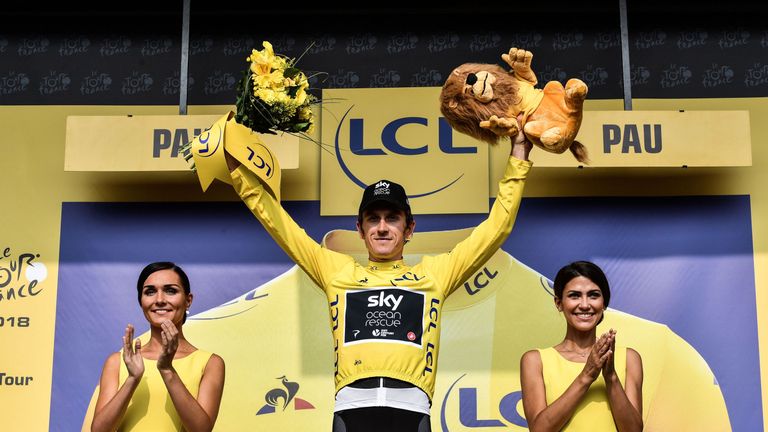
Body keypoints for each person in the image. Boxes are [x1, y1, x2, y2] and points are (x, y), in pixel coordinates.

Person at [224, 123, 532, 432]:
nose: (382, 227)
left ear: (409, 229)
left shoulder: (434, 274)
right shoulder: (337, 271)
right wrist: (237, 171)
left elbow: (497, 228)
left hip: (411, 409)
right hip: (350, 408)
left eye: (392, 218)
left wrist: (519, 153)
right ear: (360, 229)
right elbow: (280, 224)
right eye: (373, 219)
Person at [90, 262, 226, 432]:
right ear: (141, 301)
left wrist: (168, 370)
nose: (160, 300)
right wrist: (132, 380)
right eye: (150, 292)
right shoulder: (118, 361)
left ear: (188, 300)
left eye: (171, 290)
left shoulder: (210, 363)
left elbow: (201, 430)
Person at [519, 260, 643, 432]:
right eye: (574, 295)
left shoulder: (629, 358)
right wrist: (587, 375)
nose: (585, 305)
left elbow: (633, 430)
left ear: (604, 303)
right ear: (559, 303)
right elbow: (539, 429)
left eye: (593, 295)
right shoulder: (535, 360)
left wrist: (611, 376)